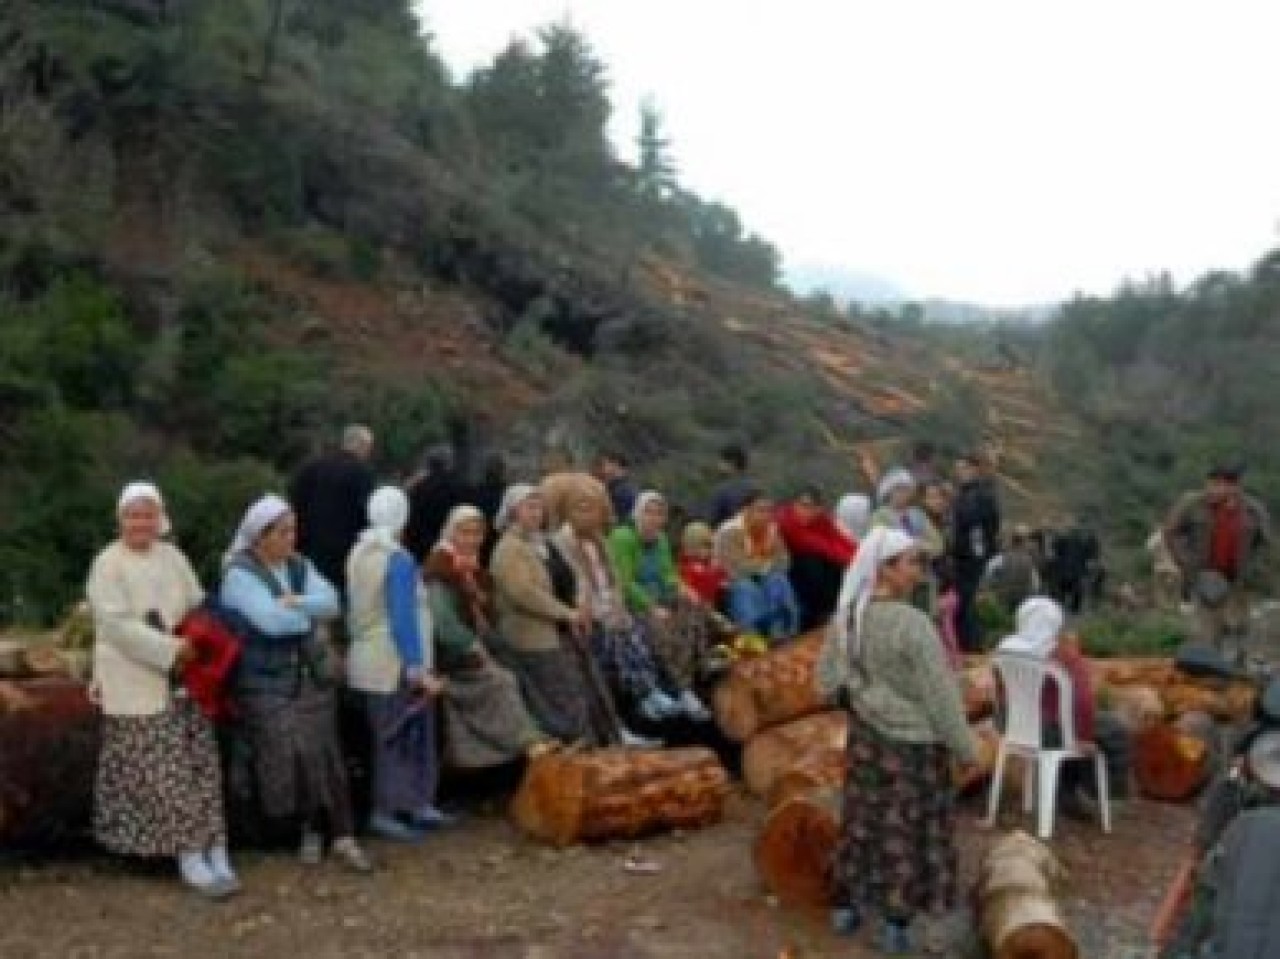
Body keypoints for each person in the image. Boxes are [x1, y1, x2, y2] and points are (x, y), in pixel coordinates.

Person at [818, 527, 979, 955]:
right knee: (907, 832)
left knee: (862, 822)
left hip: (868, 742)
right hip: (915, 748)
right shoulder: (913, 625)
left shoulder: (848, 618)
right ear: (885, 570)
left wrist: (862, 696)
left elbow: (826, 683)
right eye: (910, 563)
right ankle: (895, 925)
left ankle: (848, 906)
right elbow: (940, 696)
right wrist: (966, 748)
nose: (918, 571)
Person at [86, 483, 238, 899]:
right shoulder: (108, 564)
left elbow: (195, 601)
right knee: (165, 774)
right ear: (121, 519)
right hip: (138, 679)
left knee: (200, 765)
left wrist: (198, 636)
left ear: (159, 517)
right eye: (133, 515)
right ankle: (189, 854)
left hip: (186, 680)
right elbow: (116, 627)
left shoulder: (172, 557)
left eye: (147, 514)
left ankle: (215, 846)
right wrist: (172, 649)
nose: (141, 522)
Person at [221, 494, 372, 873]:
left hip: (308, 675)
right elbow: (269, 622)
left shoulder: (300, 567)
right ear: (261, 537)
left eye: (293, 531)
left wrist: (293, 602)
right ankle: (298, 828)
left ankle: (338, 832)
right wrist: (303, 610)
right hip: (264, 681)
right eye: (284, 532)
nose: (292, 539)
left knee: (326, 753)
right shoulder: (239, 575)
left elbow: (333, 602)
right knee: (290, 754)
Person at [346, 487, 448, 843]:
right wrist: (416, 666)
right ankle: (391, 808)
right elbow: (402, 616)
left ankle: (409, 803)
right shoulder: (398, 558)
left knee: (384, 737)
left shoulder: (359, 552)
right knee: (401, 737)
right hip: (392, 660)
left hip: (365, 659)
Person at [488, 484, 624, 746]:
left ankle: (605, 742)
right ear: (513, 511)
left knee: (590, 686)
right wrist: (567, 614)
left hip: (561, 630)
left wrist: (578, 608)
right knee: (563, 697)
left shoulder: (543, 543)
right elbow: (525, 594)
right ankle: (576, 750)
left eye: (539, 507)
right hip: (532, 637)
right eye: (529, 507)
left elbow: (567, 578)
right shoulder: (508, 549)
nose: (536, 513)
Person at [424, 505, 555, 766]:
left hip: (480, 642)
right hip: (450, 653)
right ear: (451, 533)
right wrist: (472, 645)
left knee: (518, 665)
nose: (472, 539)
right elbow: (443, 624)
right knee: (501, 680)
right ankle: (527, 742)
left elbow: (486, 611)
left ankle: (537, 735)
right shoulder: (440, 568)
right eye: (464, 533)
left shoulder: (470, 567)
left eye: (477, 533)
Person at [996, 597, 1132, 817]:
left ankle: (1065, 793)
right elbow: (1083, 701)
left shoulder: (1006, 648)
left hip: (1013, 728)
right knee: (1114, 730)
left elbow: (1000, 694)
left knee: (1073, 728)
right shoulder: (1062, 654)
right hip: (1051, 731)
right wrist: (1084, 737)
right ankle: (1103, 796)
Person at [607, 491, 714, 721]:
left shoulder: (661, 539)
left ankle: (697, 675)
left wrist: (683, 589)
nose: (654, 518)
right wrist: (650, 606)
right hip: (632, 602)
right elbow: (624, 581)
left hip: (660, 597)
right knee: (660, 627)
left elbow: (668, 575)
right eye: (649, 512)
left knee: (694, 609)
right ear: (637, 513)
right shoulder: (623, 537)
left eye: (659, 513)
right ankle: (680, 689)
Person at [1165, 465, 1272, 657]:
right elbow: (1171, 532)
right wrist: (1186, 562)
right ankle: (1207, 674)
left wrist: (1255, 569)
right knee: (1206, 634)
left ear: (1233, 487)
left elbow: (1265, 543)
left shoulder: (1253, 510)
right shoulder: (1192, 504)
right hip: (1205, 577)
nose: (1212, 489)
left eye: (1218, 485)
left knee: (1239, 631)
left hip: (1239, 581)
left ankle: (1237, 673)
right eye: (1211, 484)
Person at [288, 424, 376, 600]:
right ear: (363, 445)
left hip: (307, 549)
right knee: (335, 603)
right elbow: (367, 516)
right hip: (343, 555)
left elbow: (293, 502)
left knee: (307, 600)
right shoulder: (362, 473)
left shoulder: (310, 467)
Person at [715, 489, 800, 641]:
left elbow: (784, 561)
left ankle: (780, 631)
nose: (766, 516)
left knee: (777, 580)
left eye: (769, 511)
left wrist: (760, 567)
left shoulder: (771, 531)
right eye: (761, 510)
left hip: (763, 578)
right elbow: (734, 568)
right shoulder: (729, 532)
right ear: (746, 510)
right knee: (746, 587)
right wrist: (764, 566)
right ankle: (752, 636)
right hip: (733, 584)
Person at [777, 486, 856, 632]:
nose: (805, 511)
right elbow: (814, 545)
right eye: (802, 505)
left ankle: (834, 609)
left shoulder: (821, 520)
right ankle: (819, 613)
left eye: (811, 507)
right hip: (791, 567)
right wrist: (850, 559)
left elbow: (839, 539)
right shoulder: (786, 521)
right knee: (815, 564)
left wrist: (858, 558)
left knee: (835, 567)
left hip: (816, 561)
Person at [872, 469, 945, 615]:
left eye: (906, 489)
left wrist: (919, 547)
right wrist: (912, 546)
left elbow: (938, 544)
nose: (904, 494)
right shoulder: (880, 516)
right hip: (896, 578)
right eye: (899, 489)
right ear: (889, 492)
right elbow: (882, 544)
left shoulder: (917, 514)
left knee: (925, 616)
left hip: (923, 577)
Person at [951, 453, 1001, 652]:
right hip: (968, 556)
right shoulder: (968, 494)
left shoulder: (977, 495)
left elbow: (974, 525)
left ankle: (970, 645)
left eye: (963, 469)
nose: (959, 473)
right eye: (957, 470)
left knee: (969, 602)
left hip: (972, 558)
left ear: (974, 470)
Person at [404, 444, 466, 563]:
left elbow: (410, 519)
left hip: (419, 548)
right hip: (447, 548)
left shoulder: (417, 488)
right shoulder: (458, 488)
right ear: (449, 464)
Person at [984, 524, 1042, 616]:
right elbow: (1035, 583)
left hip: (1003, 596)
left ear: (1011, 542)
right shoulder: (1028, 560)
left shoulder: (1000, 558)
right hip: (1023, 596)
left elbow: (988, 575)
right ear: (1023, 543)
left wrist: (992, 588)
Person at [678, 521, 729, 609]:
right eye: (704, 547)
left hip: (713, 603)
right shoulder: (687, 566)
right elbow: (702, 582)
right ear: (691, 548)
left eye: (709, 547)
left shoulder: (712, 562)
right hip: (697, 606)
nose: (708, 551)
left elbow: (723, 578)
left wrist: (723, 580)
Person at [707, 443, 755, 527]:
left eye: (721, 462)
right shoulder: (755, 487)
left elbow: (712, 520)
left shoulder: (722, 490)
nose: (718, 465)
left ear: (732, 462)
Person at [1147, 526, 1184, 612]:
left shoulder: (1155, 537)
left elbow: (1150, 550)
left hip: (1161, 565)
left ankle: (1165, 605)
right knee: (1176, 580)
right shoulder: (1162, 537)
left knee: (1162, 586)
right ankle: (1171, 604)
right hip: (1166, 565)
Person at [596, 452, 639, 521]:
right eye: (605, 465)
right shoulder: (611, 488)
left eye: (614, 466)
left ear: (624, 470)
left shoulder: (623, 491)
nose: (607, 470)